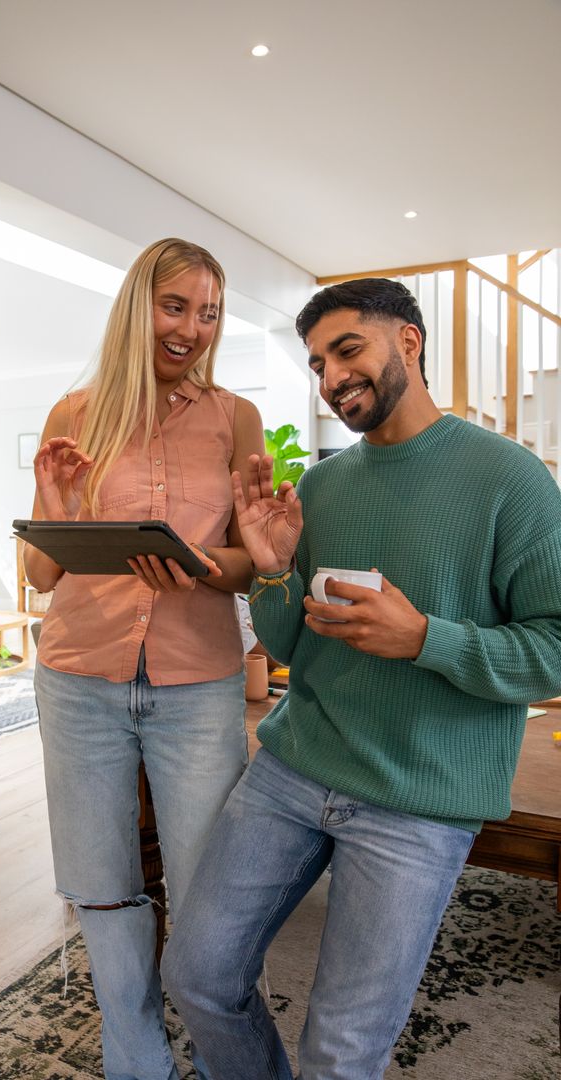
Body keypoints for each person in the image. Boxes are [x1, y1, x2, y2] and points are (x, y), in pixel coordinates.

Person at [162, 277, 561, 1079]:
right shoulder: (322, 484)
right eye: (317, 363)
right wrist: (271, 572)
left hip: (420, 799)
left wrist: (426, 639)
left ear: (408, 341)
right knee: (197, 976)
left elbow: (552, 647)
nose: (332, 376)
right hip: (292, 767)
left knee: (342, 1053)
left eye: (349, 349)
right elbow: (288, 642)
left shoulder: (510, 479)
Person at [24, 237, 264, 1080]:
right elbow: (42, 569)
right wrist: (54, 505)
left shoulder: (235, 417)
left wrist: (202, 568)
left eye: (209, 312)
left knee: (209, 888)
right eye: (176, 307)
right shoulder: (72, 413)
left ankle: (223, 1052)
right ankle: (139, 1060)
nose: (193, 328)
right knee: (101, 880)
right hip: (78, 675)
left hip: (197, 683)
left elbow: (249, 559)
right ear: (138, 308)